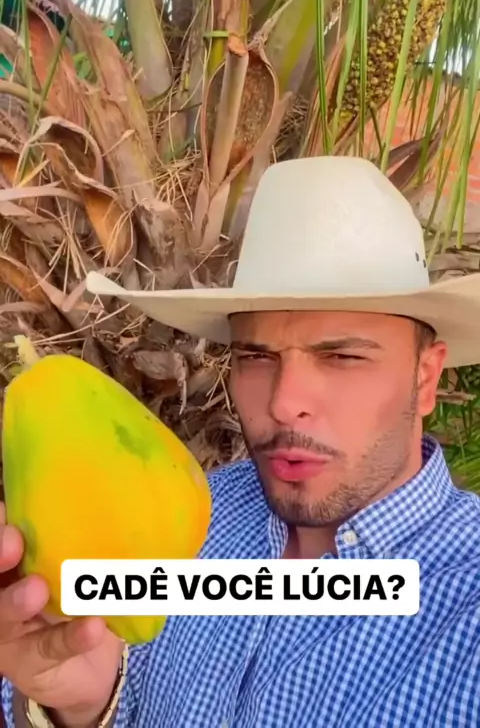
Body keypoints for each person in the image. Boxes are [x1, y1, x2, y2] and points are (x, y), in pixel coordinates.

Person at [0, 155, 479, 727]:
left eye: (342, 357)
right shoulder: (180, 514)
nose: (283, 403)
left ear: (425, 377)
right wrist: (79, 707)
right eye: (256, 357)